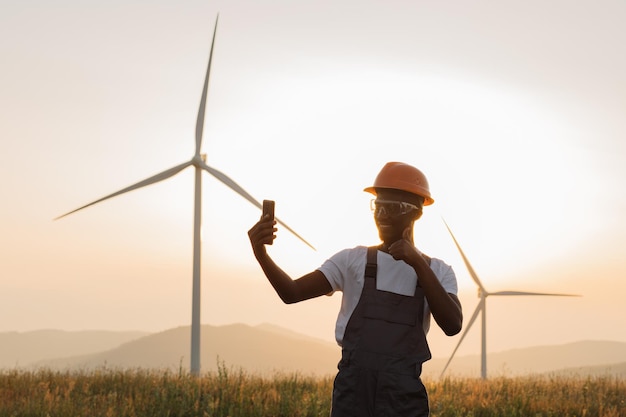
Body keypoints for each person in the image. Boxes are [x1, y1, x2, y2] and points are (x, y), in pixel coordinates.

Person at [248, 161, 462, 417]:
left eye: (392, 208)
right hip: (352, 398)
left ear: (416, 213)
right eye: (378, 207)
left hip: (404, 402)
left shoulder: (438, 271)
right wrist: (260, 253)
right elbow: (291, 293)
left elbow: (453, 325)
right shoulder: (352, 261)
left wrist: (416, 262)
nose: (381, 215)